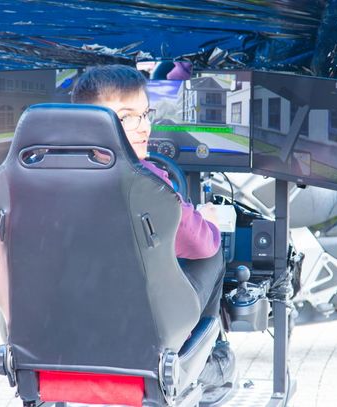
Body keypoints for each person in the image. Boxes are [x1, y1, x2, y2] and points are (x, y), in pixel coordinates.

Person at [71, 64, 225, 321]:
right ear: (89, 122)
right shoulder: (148, 182)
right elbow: (200, 245)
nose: (145, 127)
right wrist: (209, 222)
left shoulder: (30, 175)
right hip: (136, 328)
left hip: (58, 325)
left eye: (145, 114)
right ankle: (206, 344)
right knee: (212, 249)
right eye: (127, 117)